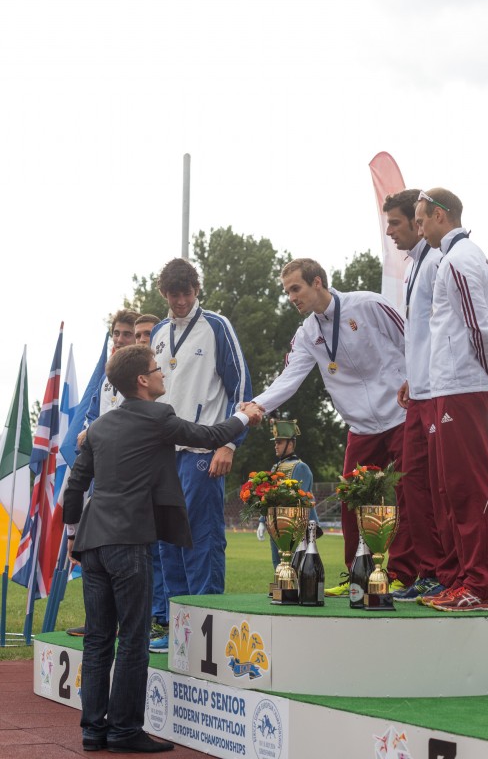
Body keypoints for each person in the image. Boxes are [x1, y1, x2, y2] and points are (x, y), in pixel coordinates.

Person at [63, 344, 262, 753]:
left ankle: (93, 731)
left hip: (92, 544)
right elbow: (209, 436)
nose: (162, 374)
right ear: (142, 380)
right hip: (129, 542)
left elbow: (76, 485)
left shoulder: (98, 428)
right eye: (156, 369)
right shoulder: (158, 416)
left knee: (97, 639)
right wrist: (245, 414)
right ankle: (124, 731)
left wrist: (71, 536)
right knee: (133, 639)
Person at [246, 258, 417, 597]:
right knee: (351, 499)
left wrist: (416, 381)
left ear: (317, 282)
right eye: (287, 291)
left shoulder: (368, 304)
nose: (292, 297)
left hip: (401, 415)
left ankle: (405, 574)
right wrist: (259, 404)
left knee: (409, 494)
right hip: (361, 426)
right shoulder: (307, 333)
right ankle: (358, 575)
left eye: (296, 288)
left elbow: (411, 341)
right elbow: (290, 377)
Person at [414, 188, 488, 612]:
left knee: (469, 488)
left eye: (421, 221)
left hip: (463, 386)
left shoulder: (460, 259)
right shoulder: (453, 258)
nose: (419, 230)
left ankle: (481, 587)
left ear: (440, 215)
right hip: (446, 386)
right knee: (447, 489)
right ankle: (458, 579)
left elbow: (479, 326)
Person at [149, 258, 252, 652]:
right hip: (163, 452)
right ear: (164, 293)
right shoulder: (158, 333)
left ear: (196, 290)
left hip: (203, 447)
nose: (180, 301)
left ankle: (208, 630)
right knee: (168, 541)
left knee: (200, 537)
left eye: (187, 293)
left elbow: (241, 386)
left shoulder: (216, 326)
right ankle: (178, 629)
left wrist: (229, 444)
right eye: (173, 294)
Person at [384, 189, 458, 603]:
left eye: (396, 223)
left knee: (435, 485)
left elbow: (447, 328)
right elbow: (420, 331)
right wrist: (412, 377)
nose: (390, 232)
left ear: (417, 222)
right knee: (411, 482)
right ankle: (430, 571)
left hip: (439, 393)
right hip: (420, 392)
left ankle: (446, 573)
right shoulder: (416, 265)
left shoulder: (437, 262)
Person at [66, 308, 139, 638]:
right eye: (117, 333)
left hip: (128, 476)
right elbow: (91, 415)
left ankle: (134, 622)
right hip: (101, 471)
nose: (121, 339)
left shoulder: (142, 377)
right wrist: (89, 430)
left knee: (125, 553)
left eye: (127, 333)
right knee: (95, 546)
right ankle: (98, 619)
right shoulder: (108, 378)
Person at [134, 314, 170, 641]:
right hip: (137, 482)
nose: (142, 339)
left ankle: (162, 618)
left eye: (148, 334)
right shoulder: (125, 380)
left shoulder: (162, 376)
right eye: (138, 334)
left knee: (163, 550)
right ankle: (146, 618)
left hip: (165, 470)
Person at [257, 418, 322, 571]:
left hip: (296, 527)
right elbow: (268, 497)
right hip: (276, 524)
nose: (276, 445)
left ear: (291, 444)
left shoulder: (301, 467)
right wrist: (262, 521)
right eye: (275, 442)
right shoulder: (275, 467)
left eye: (279, 442)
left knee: (297, 566)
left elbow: (300, 499)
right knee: (278, 564)